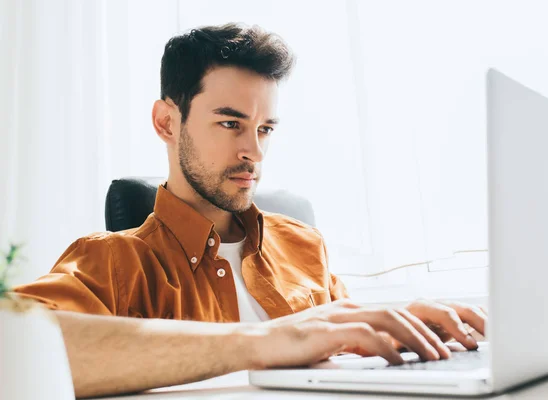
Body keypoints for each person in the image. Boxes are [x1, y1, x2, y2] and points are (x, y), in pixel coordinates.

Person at [12, 23, 486, 398]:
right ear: (166, 122)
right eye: (230, 123)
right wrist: (264, 342)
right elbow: (14, 351)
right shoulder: (111, 262)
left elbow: (342, 349)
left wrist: (400, 330)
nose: (253, 152)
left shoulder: (304, 246)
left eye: (265, 128)